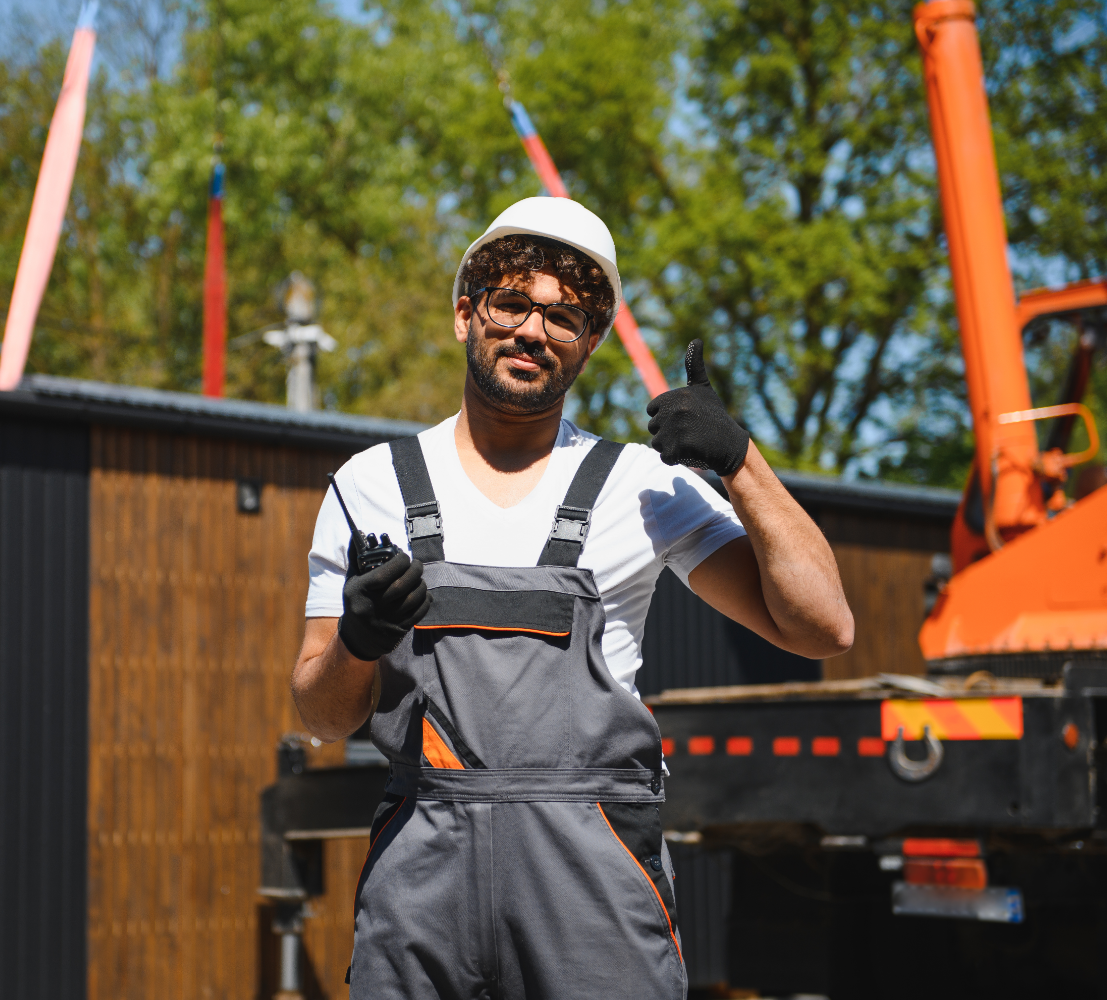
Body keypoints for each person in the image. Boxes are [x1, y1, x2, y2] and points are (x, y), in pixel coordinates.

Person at [293, 197, 852, 1000]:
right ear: (466, 314)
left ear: (590, 342)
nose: (533, 330)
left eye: (565, 317)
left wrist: (740, 462)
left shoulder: (642, 488)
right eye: (512, 302)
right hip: (424, 877)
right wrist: (357, 642)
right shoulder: (370, 487)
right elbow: (319, 716)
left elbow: (824, 626)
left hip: (591, 883)